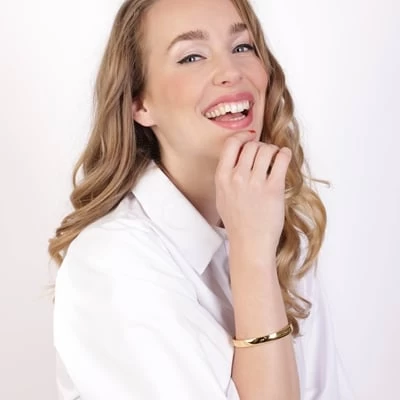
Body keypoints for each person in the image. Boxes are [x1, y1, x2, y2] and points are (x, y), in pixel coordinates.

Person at [49, 0, 354, 398]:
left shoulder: (280, 230)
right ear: (139, 103)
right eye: (191, 56)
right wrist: (252, 255)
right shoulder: (111, 263)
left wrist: (256, 243)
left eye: (242, 47)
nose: (231, 71)